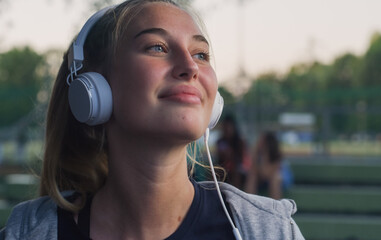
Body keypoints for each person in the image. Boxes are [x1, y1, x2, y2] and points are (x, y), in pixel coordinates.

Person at [0, 1, 304, 239]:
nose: (190, 67)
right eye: (157, 47)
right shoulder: (28, 232)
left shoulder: (267, 230)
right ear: (93, 91)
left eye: (201, 54)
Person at [216, 114, 250, 190]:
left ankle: (236, 195)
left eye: (229, 127)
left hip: (238, 170)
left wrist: (231, 156)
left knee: (236, 172)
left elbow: (242, 161)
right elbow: (219, 160)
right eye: (225, 127)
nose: (227, 129)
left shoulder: (240, 142)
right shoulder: (220, 141)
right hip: (224, 169)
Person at [246, 131, 284, 199]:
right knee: (252, 176)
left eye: (262, 142)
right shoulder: (258, 154)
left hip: (280, 178)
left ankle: (276, 207)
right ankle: (250, 204)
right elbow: (253, 169)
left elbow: (268, 173)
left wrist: (265, 155)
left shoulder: (276, 156)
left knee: (275, 178)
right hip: (264, 179)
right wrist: (255, 153)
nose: (259, 143)